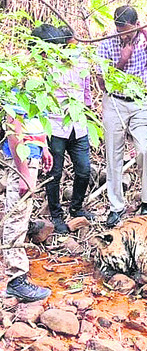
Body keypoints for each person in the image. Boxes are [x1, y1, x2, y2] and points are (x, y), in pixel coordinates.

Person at [97, 6, 147, 228]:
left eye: (126, 29)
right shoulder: (108, 43)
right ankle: (116, 206)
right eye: (118, 29)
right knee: (113, 154)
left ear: (136, 24)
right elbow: (101, 82)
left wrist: (145, 32)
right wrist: (121, 61)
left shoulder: (146, 38)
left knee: (144, 149)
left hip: (140, 101)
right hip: (114, 100)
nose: (122, 34)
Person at [31, 24, 94, 234]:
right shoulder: (45, 66)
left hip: (79, 125)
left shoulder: (81, 60)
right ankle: (56, 215)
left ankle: (76, 207)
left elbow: (86, 88)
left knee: (84, 170)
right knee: (54, 174)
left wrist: (88, 109)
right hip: (55, 126)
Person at [2, 104, 53, 301]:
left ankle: (17, 276)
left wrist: (44, 148)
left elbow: (36, 118)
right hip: (22, 158)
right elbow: (14, 127)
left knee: (21, 214)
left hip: (32, 153)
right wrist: (23, 171)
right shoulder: (21, 81)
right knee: (17, 214)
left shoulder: (37, 80)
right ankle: (16, 280)